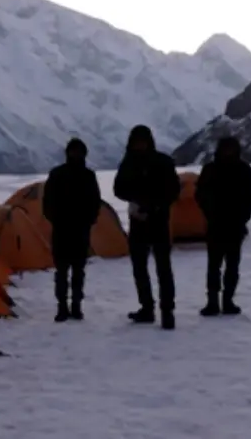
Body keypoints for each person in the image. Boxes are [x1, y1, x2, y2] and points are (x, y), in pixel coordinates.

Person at [113, 125, 181, 329]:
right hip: (139, 221)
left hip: (157, 220)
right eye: (136, 141)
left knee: (163, 268)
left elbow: (173, 190)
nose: (139, 145)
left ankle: (167, 312)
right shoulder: (129, 163)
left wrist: (153, 204)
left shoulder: (162, 162)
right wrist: (135, 200)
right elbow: (118, 189)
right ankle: (147, 308)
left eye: (142, 141)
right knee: (140, 268)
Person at [195, 136, 251, 316]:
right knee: (214, 266)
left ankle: (228, 300)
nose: (228, 152)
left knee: (231, 266)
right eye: (226, 149)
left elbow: (250, 197)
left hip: (234, 225)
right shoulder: (211, 170)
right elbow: (200, 195)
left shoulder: (244, 170)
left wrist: (243, 216)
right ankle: (213, 302)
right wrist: (210, 213)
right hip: (216, 224)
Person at [42, 138, 102, 322]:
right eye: (73, 151)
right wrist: (57, 219)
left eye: (78, 152)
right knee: (63, 271)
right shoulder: (59, 174)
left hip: (77, 229)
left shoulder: (86, 176)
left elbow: (95, 201)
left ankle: (75, 306)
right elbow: (48, 202)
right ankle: (63, 306)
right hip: (64, 229)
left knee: (76, 271)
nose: (76, 155)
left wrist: (88, 220)